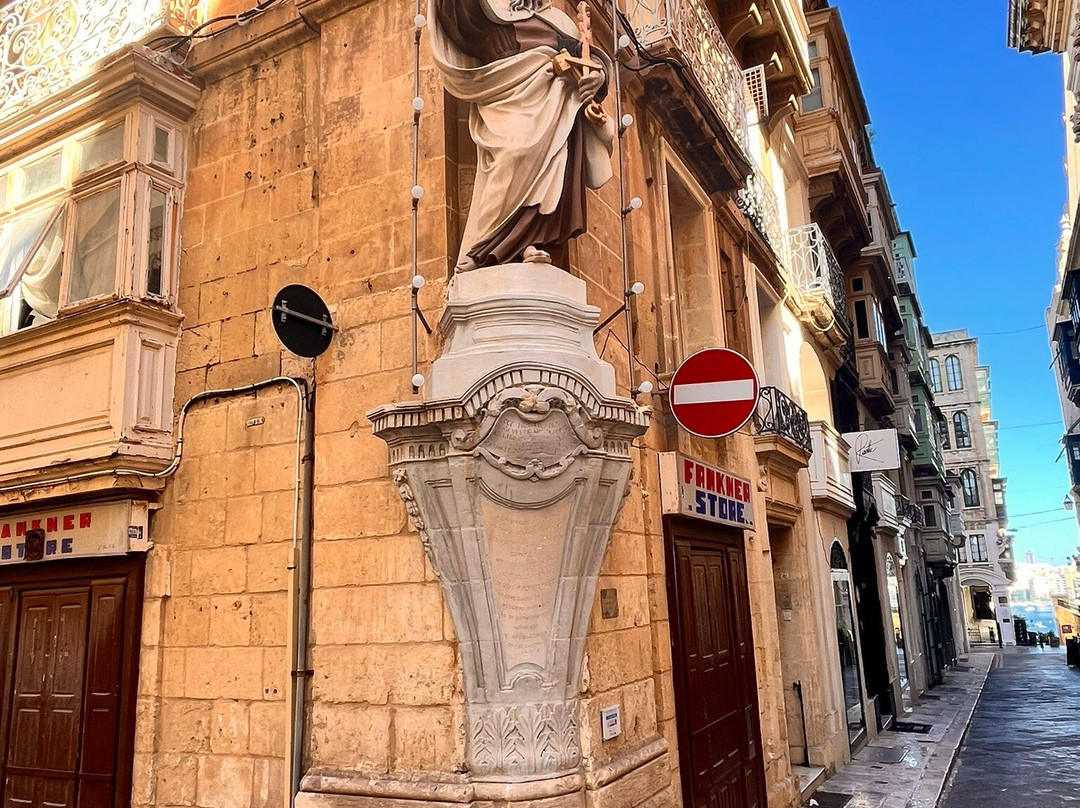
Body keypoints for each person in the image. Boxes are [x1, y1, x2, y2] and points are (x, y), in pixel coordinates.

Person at [430, 0, 616, 272]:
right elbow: (456, 13)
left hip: (556, 108)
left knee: (552, 173)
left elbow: (585, 57)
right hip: (508, 97)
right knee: (515, 154)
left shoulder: (558, 20)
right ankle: (485, 246)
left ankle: (530, 243)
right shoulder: (488, 11)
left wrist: (597, 75)